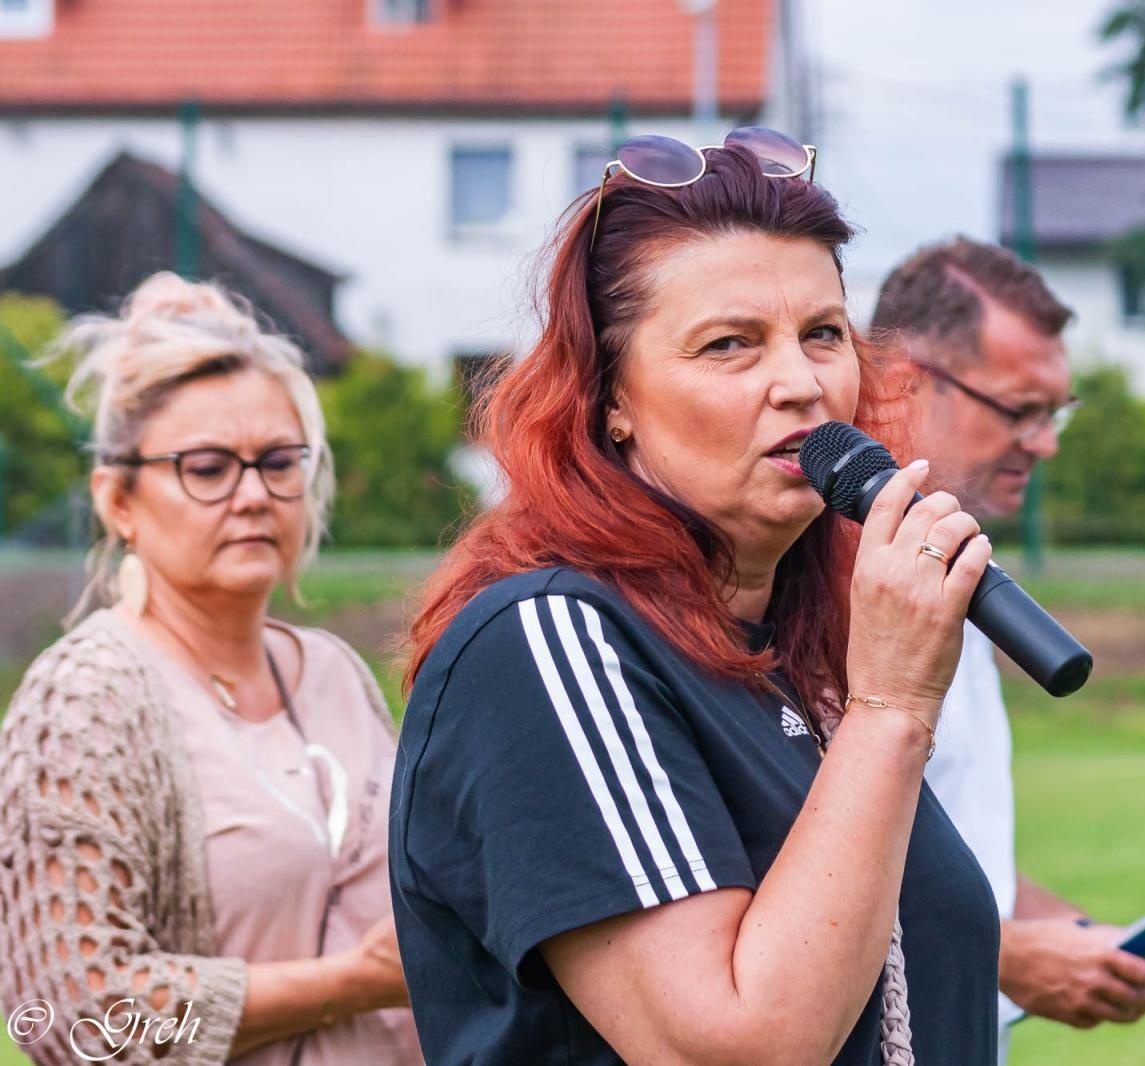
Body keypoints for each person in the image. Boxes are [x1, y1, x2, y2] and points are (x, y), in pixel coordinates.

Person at [391, 129, 1001, 1064]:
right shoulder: (547, 644)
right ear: (610, 400)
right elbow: (738, 1049)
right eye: (730, 345)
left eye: (823, 334)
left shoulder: (800, 650)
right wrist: (891, 709)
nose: (800, 384)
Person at [0, 274, 421, 1065]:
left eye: (277, 461)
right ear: (117, 500)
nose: (254, 494)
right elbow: (72, 1018)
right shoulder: (87, 700)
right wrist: (350, 982)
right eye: (206, 467)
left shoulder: (333, 672)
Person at [872, 237, 1145, 1057]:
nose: (1045, 441)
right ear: (904, 385)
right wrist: (1007, 956)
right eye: (1019, 408)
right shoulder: (837, 587)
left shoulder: (952, 569)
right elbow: (786, 864)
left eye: (1057, 411)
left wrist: (1073, 934)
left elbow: (944, 854)